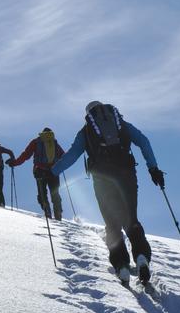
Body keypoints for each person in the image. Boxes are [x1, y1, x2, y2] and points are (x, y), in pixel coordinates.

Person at [52, 102, 165, 285]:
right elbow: (143, 141)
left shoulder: (87, 131)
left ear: (88, 114)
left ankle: (122, 266)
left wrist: (52, 172)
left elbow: (72, 155)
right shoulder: (121, 123)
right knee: (131, 219)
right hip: (127, 174)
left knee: (112, 224)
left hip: (102, 179)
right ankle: (142, 257)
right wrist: (153, 168)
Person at [9, 128, 65, 220]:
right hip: (54, 172)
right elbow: (63, 156)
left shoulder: (36, 142)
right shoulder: (54, 143)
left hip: (40, 171)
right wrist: (61, 166)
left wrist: (14, 163)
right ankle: (58, 215)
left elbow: (25, 155)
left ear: (42, 133)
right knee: (55, 193)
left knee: (42, 194)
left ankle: (47, 213)